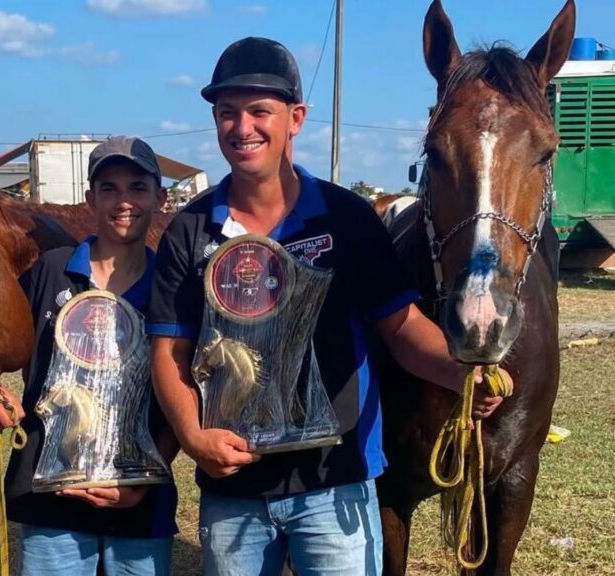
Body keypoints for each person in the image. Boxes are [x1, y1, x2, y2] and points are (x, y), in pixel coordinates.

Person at [147, 37, 511, 575]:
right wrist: (192, 436)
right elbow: (170, 350)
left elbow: (401, 326)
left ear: (295, 118)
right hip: (233, 491)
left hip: (334, 487)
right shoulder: (189, 229)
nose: (242, 127)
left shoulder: (347, 218)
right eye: (228, 113)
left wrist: (460, 374)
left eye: (259, 111)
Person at [5, 136, 179, 576]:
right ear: (90, 199)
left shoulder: (171, 286)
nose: (124, 202)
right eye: (109, 188)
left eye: (138, 188)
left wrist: (144, 476)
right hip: (51, 500)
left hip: (140, 499)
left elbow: (186, 390)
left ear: (160, 197)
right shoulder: (52, 269)